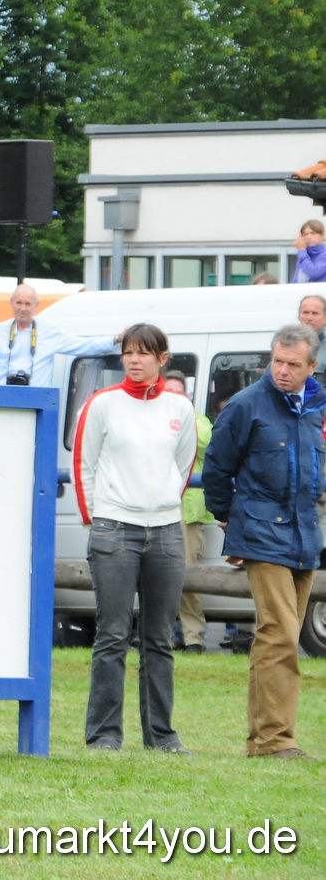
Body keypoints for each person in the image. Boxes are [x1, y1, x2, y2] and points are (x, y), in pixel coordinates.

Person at [203, 323, 326, 759]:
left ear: (313, 366)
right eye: (277, 361)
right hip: (261, 531)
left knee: (277, 636)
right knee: (280, 632)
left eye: (293, 364)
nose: (282, 370)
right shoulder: (245, 405)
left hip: (305, 532)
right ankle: (278, 740)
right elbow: (216, 468)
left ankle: (262, 740)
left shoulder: (315, 408)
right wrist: (229, 519)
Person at [72, 323, 196, 753]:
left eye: (144, 353)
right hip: (114, 528)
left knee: (159, 638)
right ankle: (104, 734)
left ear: (163, 359)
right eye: (128, 352)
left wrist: (161, 505)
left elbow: (182, 468)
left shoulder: (179, 407)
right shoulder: (102, 404)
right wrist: (97, 519)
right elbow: (83, 463)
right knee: (112, 634)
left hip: (164, 531)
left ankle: (161, 735)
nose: (134, 360)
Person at [163, 370, 215, 654]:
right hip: (156, 509)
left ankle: (193, 638)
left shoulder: (199, 421)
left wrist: (179, 419)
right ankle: (164, 636)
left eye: (178, 393)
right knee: (155, 579)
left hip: (186, 514)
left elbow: (205, 443)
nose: (173, 397)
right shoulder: (151, 418)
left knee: (187, 579)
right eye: (167, 391)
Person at [0, 284, 120, 387]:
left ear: (36, 305)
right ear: (11, 303)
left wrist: (115, 340)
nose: (23, 308)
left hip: (37, 403)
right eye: (19, 303)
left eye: (28, 304)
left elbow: (83, 345)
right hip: (3, 401)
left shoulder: (49, 330)